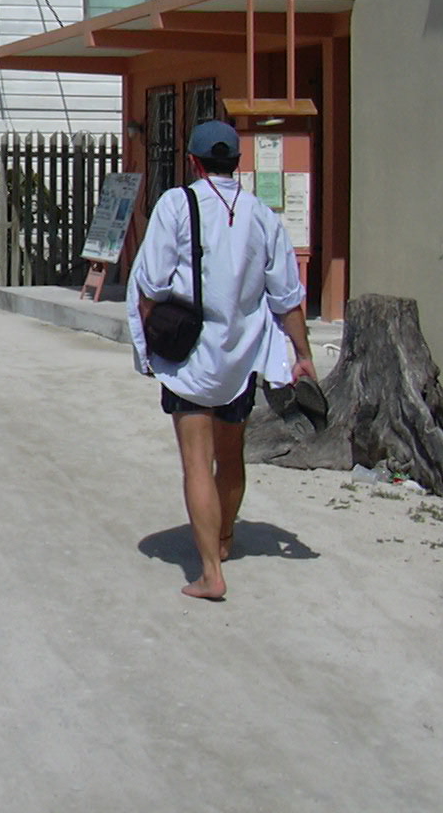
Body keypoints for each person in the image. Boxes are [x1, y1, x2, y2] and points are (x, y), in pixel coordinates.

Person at [127, 120, 317, 602]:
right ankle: (226, 540)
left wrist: (150, 345)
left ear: (193, 161)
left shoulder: (176, 204)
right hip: (240, 358)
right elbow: (287, 298)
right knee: (230, 457)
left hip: (189, 355)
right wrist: (303, 356)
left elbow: (150, 284)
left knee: (196, 463)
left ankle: (211, 572)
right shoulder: (263, 215)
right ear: (237, 162)